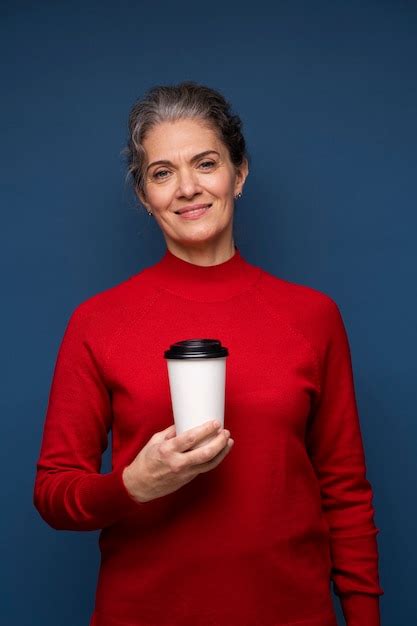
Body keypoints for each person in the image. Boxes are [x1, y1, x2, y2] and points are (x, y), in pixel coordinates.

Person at [33, 81, 384, 626]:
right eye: (162, 173)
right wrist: (132, 486)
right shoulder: (97, 322)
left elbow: (346, 492)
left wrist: (364, 616)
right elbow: (54, 492)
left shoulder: (312, 317)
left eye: (205, 163)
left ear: (238, 173)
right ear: (145, 195)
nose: (188, 188)